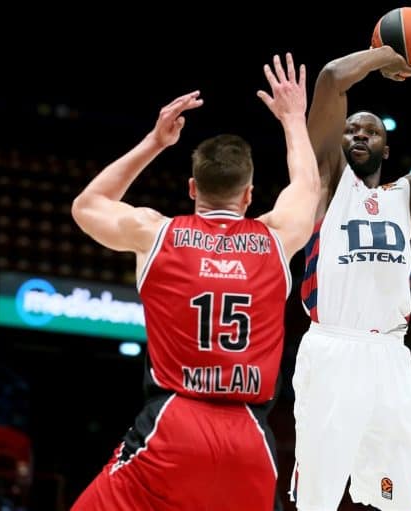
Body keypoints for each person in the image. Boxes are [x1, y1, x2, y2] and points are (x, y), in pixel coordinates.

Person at [70, 53, 320, 511]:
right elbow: (308, 186)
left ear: (191, 188)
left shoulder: (157, 233)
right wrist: (293, 119)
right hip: (249, 433)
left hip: (173, 423)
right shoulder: (276, 239)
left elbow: (87, 206)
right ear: (249, 195)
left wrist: (154, 141)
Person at [290, 11, 411, 510]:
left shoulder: (409, 197)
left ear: (386, 146)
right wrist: (392, 56)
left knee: (400, 501)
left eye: (369, 131)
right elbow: (331, 78)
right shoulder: (326, 184)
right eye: (351, 129)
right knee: (316, 501)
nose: (357, 135)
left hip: (391, 358)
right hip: (332, 348)